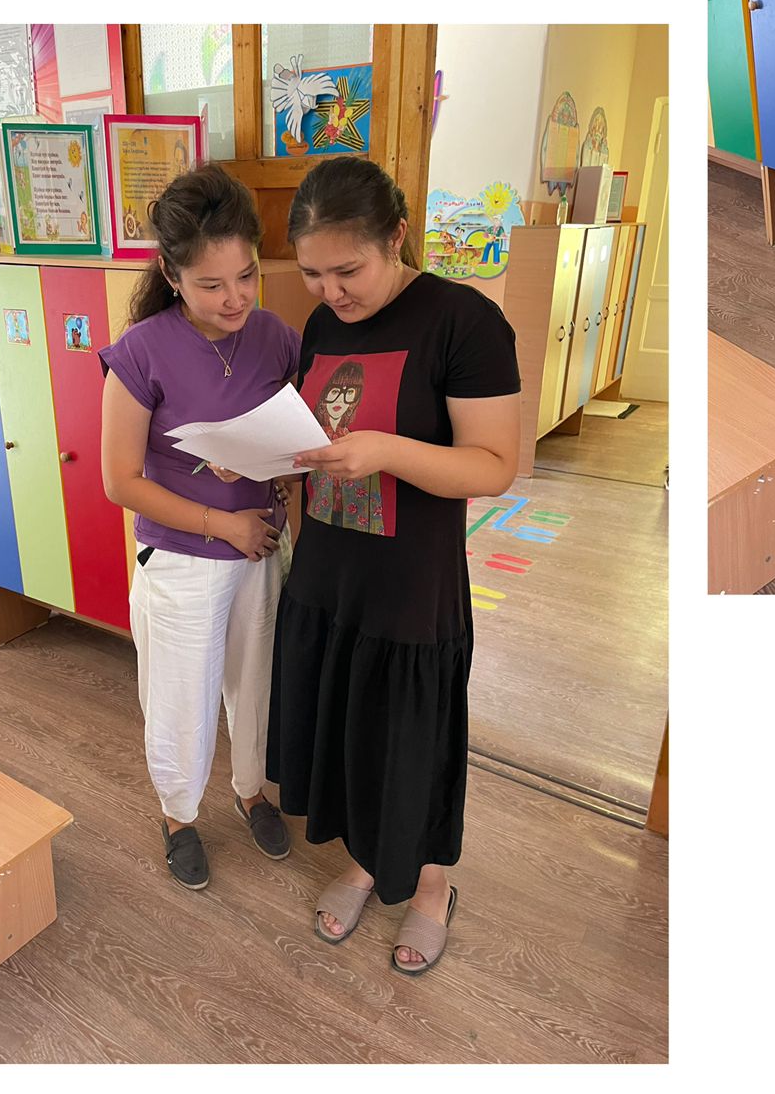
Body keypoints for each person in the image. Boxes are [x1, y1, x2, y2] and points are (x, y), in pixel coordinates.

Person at [266, 157, 520, 976]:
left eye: (348, 270)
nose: (330, 291)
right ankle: (367, 862)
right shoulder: (321, 325)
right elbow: (319, 435)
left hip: (412, 583)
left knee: (413, 739)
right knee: (347, 728)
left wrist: (387, 452)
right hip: (329, 569)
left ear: (397, 237)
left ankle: (431, 884)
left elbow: (493, 466)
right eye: (313, 274)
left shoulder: (465, 321)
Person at [100, 163, 299, 888]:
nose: (235, 298)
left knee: (257, 683)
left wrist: (281, 471)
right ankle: (178, 815)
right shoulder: (142, 351)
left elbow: (299, 433)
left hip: (261, 550)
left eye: (246, 276)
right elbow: (120, 481)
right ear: (172, 275)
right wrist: (223, 523)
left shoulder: (277, 337)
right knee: (181, 698)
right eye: (212, 285)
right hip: (185, 557)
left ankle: (252, 791)